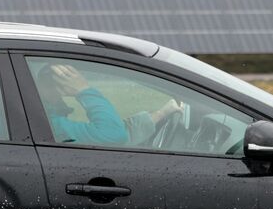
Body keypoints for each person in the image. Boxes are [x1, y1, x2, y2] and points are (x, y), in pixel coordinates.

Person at [36, 63, 184, 147]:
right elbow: (112, 135)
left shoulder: (40, 120)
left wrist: (161, 114)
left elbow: (118, 136)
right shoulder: (47, 124)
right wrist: (83, 90)